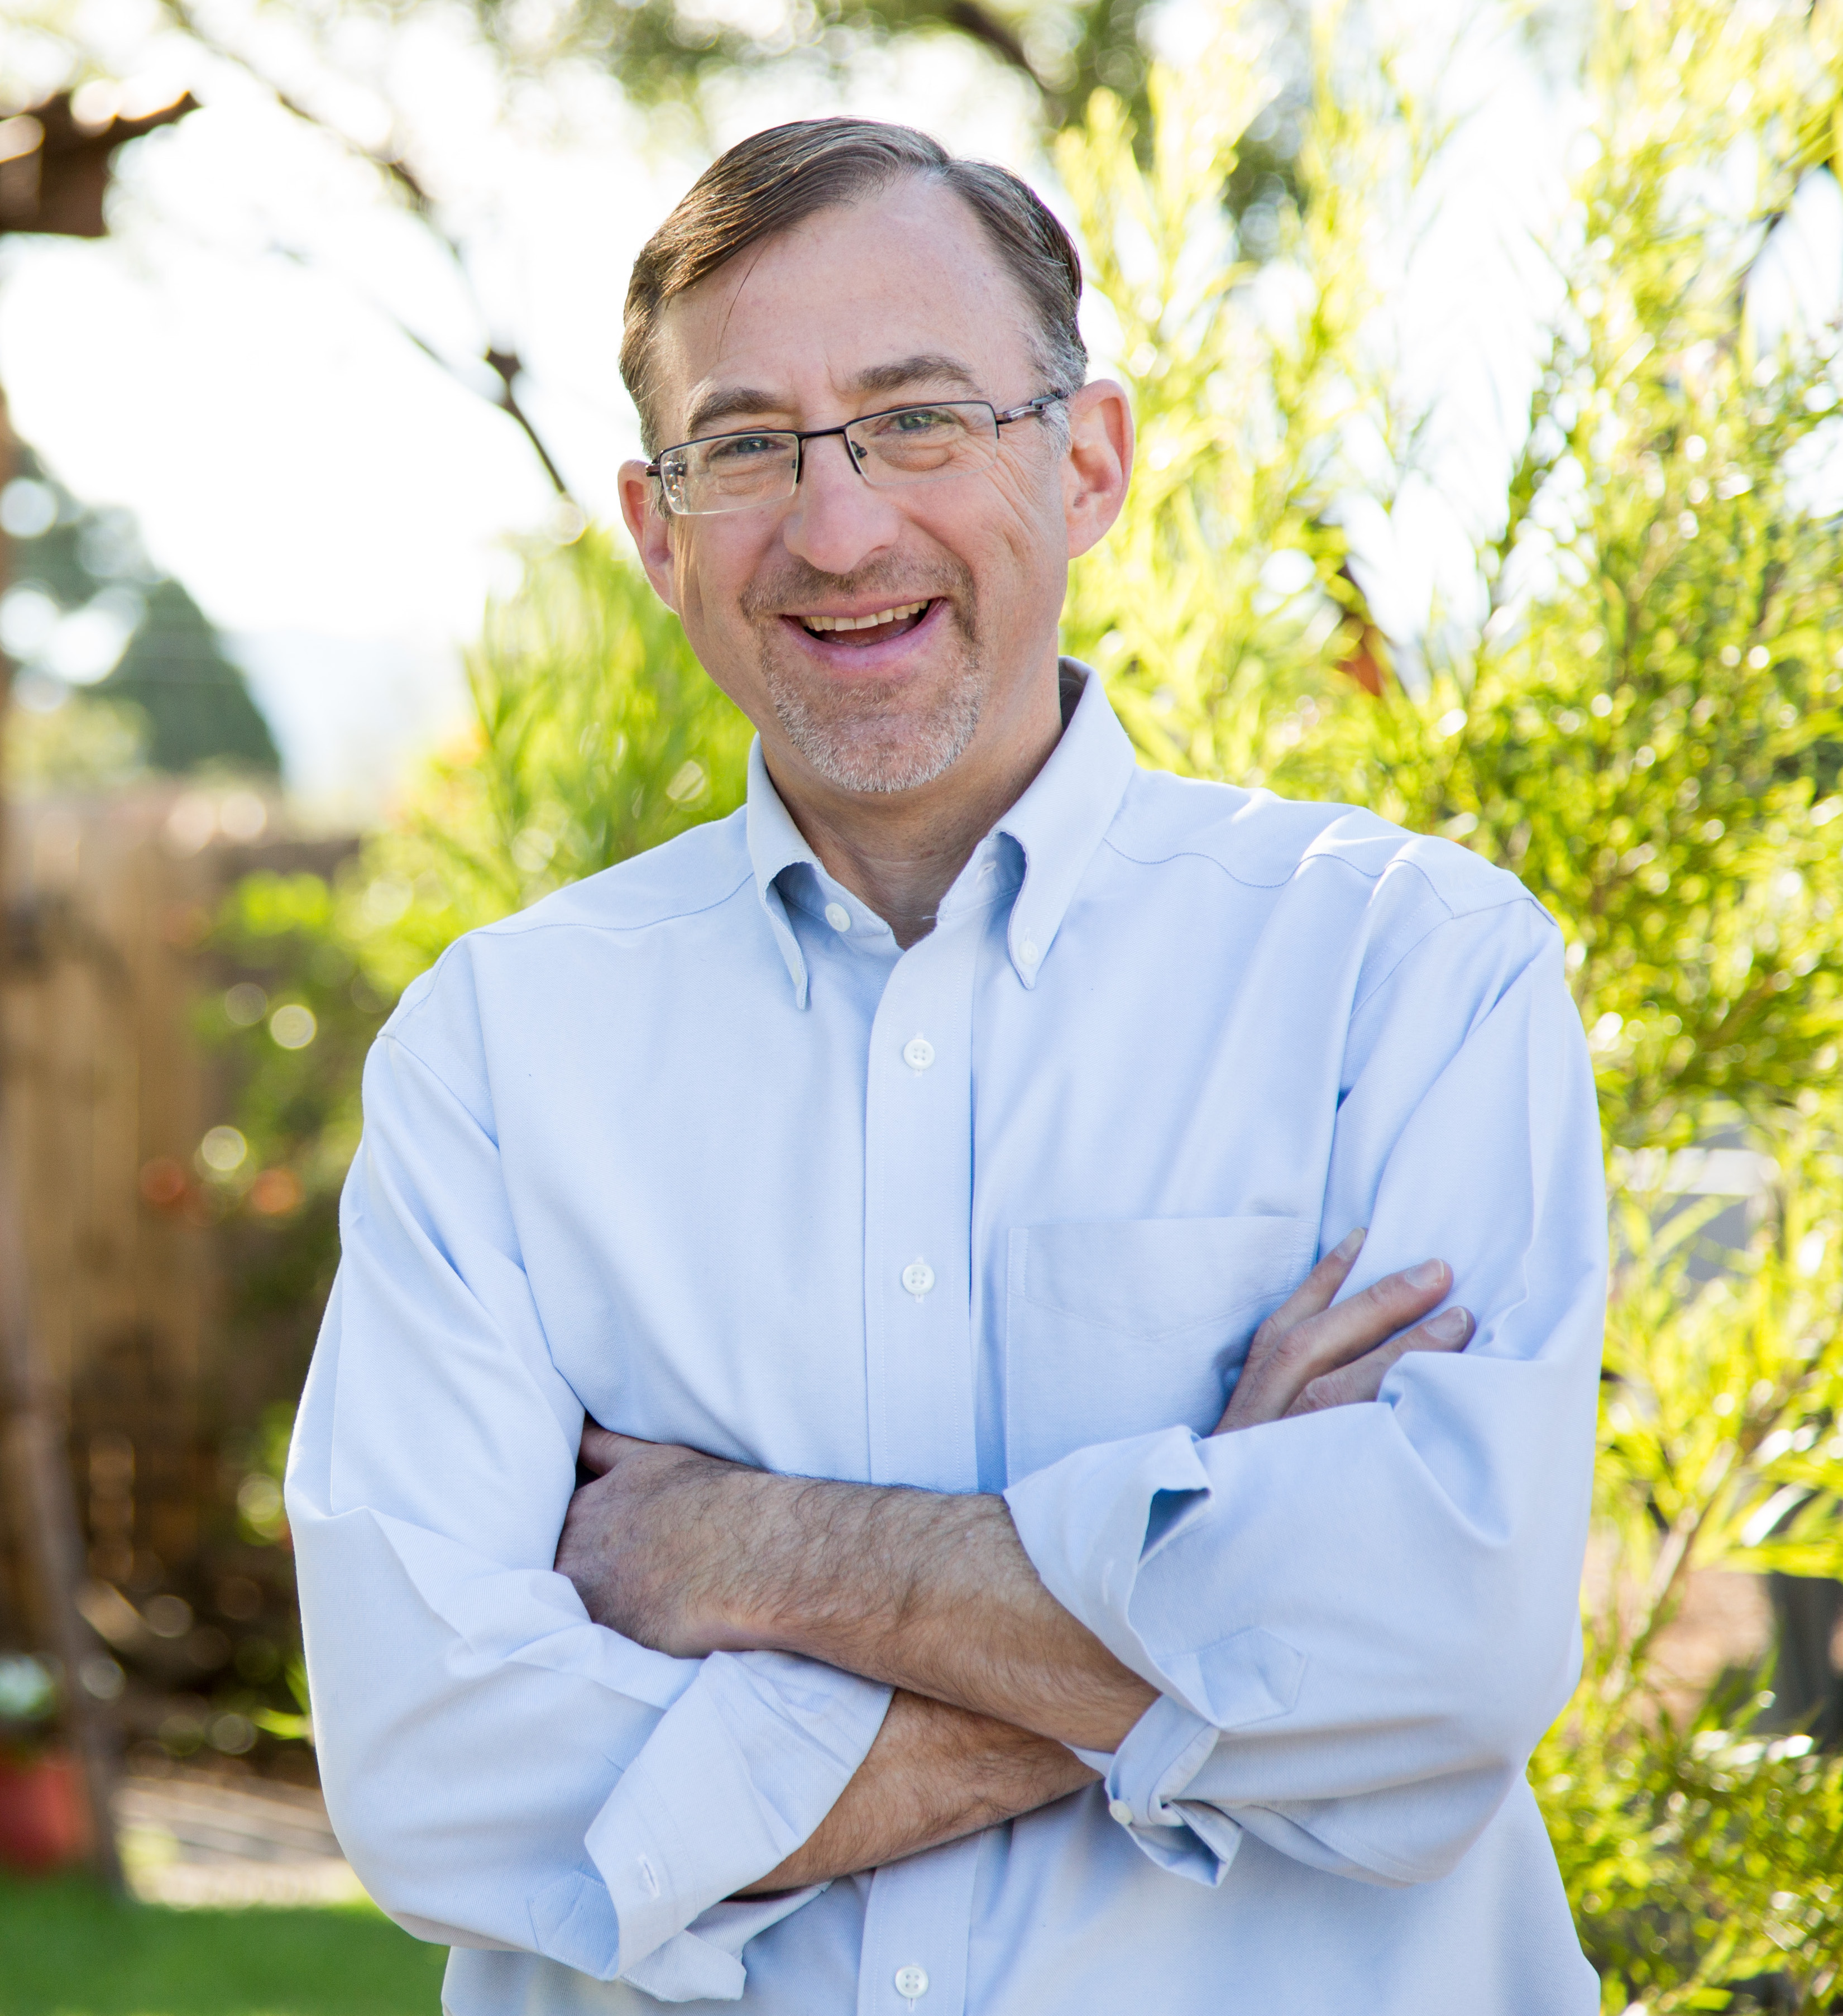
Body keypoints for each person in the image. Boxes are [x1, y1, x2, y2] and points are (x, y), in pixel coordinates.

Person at [287, 118, 1606, 2015]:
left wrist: (747, 1551)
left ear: (1087, 462)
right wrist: (1218, 1611)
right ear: (659, 529)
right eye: (749, 445)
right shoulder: (499, 1052)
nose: (838, 531)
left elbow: (1438, 1659)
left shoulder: (1407, 971)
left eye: (919, 420)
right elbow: (441, 1773)